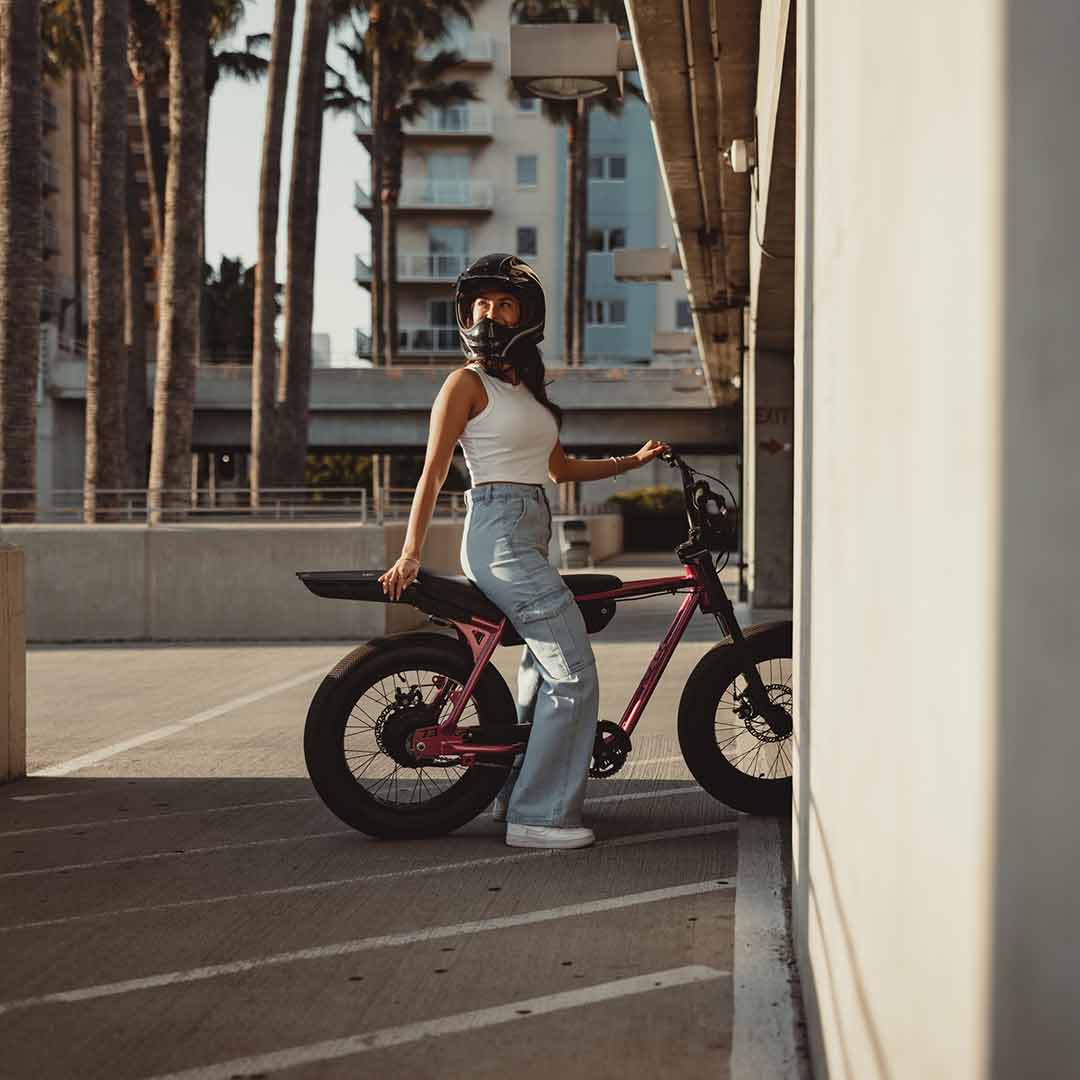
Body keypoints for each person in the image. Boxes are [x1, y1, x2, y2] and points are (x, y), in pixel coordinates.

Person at [379, 253, 668, 850]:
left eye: (502, 303)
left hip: (532, 527)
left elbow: (558, 468)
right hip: (498, 532)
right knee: (574, 672)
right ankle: (541, 818)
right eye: (480, 304)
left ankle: (513, 798)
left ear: (525, 316)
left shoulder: (528, 390)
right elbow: (433, 472)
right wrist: (410, 552)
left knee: (540, 671)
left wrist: (631, 463)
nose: (489, 313)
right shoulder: (465, 383)